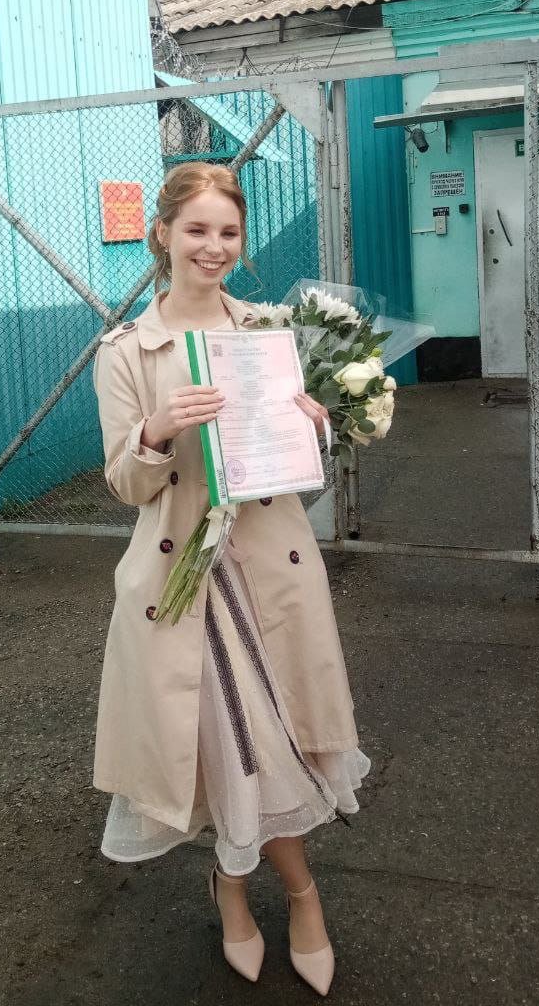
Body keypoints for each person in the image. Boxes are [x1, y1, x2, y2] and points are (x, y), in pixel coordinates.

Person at [92, 162, 369, 996]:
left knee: (275, 739)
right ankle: (272, 893)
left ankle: (256, 888)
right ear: (163, 236)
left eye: (228, 233)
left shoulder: (273, 333)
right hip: (184, 583)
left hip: (268, 569)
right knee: (233, 749)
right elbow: (124, 485)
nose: (213, 247)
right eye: (197, 230)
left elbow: (291, 464)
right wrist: (155, 431)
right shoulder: (126, 351)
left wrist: (316, 423)